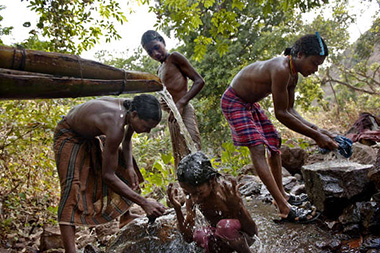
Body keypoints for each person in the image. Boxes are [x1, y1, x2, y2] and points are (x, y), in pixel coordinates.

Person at [220, 33, 338, 223]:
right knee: (258, 147)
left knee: (274, 143)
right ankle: (283, 207)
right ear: (300, 55)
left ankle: (282, 195)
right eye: (314, 63)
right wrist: (316, 136)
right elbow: (281, 114)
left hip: (249, 103)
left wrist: (319, 130)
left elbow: (290, 110)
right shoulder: (281, 68)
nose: (316, 69)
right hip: (234, 101)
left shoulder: (293, 75)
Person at [53, 95, 166, 252]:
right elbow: (108, 176)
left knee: (125, 162)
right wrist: (144, 203)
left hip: (90, 134)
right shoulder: (115, 124)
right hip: (69, 134)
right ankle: (70, 250)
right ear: (134, 115)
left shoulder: (132, 107)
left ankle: (125, 216)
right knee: (71, 189)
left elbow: (126, 142)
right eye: (146, 126)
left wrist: (129, 167)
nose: (147, 131)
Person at [167, 151, 258, 253]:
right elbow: (188, 237)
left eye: (199, 193)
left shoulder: (225, 192)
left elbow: (252, 231)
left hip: (243, 237)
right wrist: (178, 209)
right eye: (187, 192)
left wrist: (237, 208)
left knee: (224, 227)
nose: (194, 199)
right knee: (199, 235)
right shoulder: (191, 197)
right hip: (222, 237)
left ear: (211, 180)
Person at [141, 30, 205, 169]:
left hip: (184, 110)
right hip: (173, 117)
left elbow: (199, 81)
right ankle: (188, 189)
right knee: (181, 156)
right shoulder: (160, 69)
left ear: (163, 42)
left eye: (156, 47)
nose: (155, 54)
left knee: (194, 150)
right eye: (150, 52)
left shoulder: (174, 57)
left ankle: (208, 185)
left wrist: (181, 103)